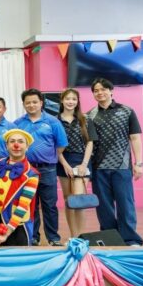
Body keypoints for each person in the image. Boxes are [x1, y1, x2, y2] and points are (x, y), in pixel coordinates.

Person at [87, 78, 143, 246]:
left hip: (122, 167)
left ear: (111, 91)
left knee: (125, 204)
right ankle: (110, 238)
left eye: (103, 89)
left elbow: (135, 138)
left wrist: (139, 163)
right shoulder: (89, 115)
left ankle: (130, 239)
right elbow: (88, 144)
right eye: (96, 90)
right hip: (98, 168)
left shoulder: (127, 111)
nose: (100, 93)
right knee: (104, 207)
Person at [14, 88, 68, 246]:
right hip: (26, 170)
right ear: (24, 104)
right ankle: (33, 236)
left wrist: (48, 156)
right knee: (30, 204)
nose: (31, 105)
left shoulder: (53, 122)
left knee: (49, 205)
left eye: (34, 102)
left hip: (48, 169)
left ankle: (53, 238)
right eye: (28, 102)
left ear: (41, 103)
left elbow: (61, 145)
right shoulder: (18, 123)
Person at [0, 129, 39, 248]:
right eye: (12, 141)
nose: (16, 145)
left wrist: (7, 232)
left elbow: (23, 206)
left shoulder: (32, 174)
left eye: (20, 142)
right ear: (6, 146)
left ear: (27, 147)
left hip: (16, 224)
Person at [57, 88, 97, 238]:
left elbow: (90, 143)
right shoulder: (55, 120)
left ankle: (80, 237)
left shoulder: (85, 119)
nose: (70, 102)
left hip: (82, 161)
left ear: (77, 101)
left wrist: (84, 164)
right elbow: (55, 146)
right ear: (62, 100)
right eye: (67, 98)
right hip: (62, 160)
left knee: (79, 200)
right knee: (68, 200)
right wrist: (65, 165)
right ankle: (73, 236)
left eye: (74, 99)